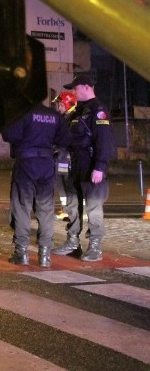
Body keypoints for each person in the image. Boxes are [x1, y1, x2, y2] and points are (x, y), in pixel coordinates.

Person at [53, 73, 115, 261]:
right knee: (72, 205)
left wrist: (100, 167)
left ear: (86, 87)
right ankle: (73, 242)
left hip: (91, 166)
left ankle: (95, 246)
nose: (73, 91)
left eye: (76, 88)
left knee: (94, 207)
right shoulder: (78, 111)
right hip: (75, 166)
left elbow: (104, 142)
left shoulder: (98, 111)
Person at [1, 100, 70, 267]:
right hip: (47, 164)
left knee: (22, 207)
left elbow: (9, 135)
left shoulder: (22, 113)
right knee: (45, 209)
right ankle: (45, 255)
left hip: (26, 163)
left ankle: (21, 253)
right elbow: (66, 139)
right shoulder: (53, 115)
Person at [52, 91, 78, 216]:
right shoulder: (63, 118)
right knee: (61, 182)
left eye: (60, 105)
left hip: (69, 157)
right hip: (61, 156)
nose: (58, 108)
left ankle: (76, 210)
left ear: (68, 104)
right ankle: (66, 209)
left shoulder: (74, 118)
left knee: (69, 184)